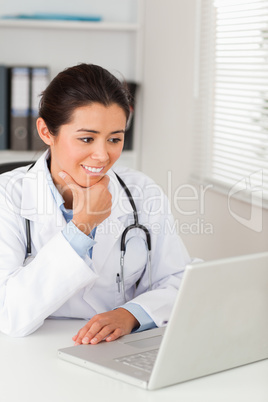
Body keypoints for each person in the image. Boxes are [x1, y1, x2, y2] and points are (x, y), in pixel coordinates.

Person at [0, 63, 193, 343]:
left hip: (113, 347)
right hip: (29, 351)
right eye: (87, 138)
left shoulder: (142, 192)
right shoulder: (7, 195)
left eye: (115, 139)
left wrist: (131, 315)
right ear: (45, 131)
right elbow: (9, 313)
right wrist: (81, 227)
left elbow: (178, 280)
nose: (102, 156)